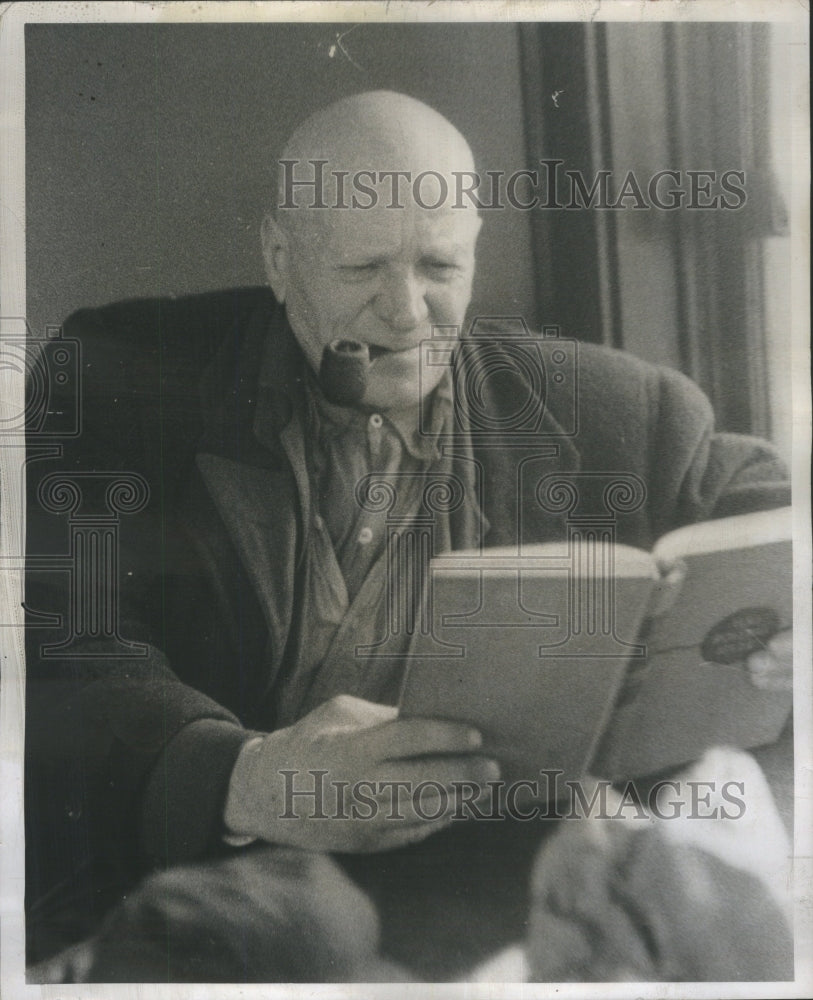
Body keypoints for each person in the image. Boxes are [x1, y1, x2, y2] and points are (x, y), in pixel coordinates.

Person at [24, 90, 793, 981]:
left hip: (482, 921)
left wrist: (783, 604)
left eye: (439, 264)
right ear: (279, 256)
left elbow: (757, 497)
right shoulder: (121, 381)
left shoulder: (621, 414)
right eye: (363, 270)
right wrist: (247, 778)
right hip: (193, 914)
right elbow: (66, 647)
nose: (407, 313)